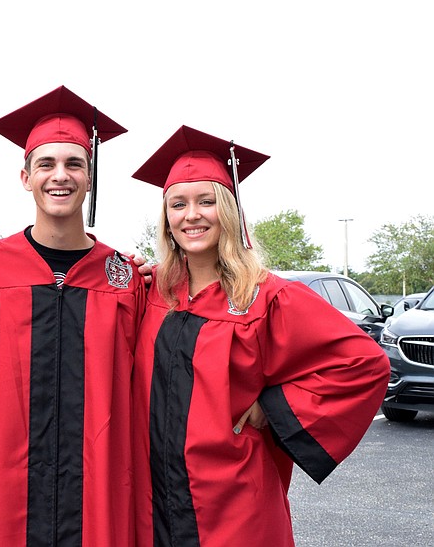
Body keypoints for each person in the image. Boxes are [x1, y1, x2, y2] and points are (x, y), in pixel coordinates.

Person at [130, 125, 390, 547]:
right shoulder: (149, 291)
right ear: (166, 219)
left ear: (229, 212)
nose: (191, 214)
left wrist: (273, 407)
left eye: (206, 201)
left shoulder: (267, 296)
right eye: (178, 204)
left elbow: (363, 363)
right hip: (151, 506)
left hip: (234, 507)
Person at [0, 86, 146, 546]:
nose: (60, 176)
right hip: (5, 488)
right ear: (24, 177)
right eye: (46, 164)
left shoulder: (125, 276)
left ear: (90, 177)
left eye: (74, 163)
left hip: (96, 489)